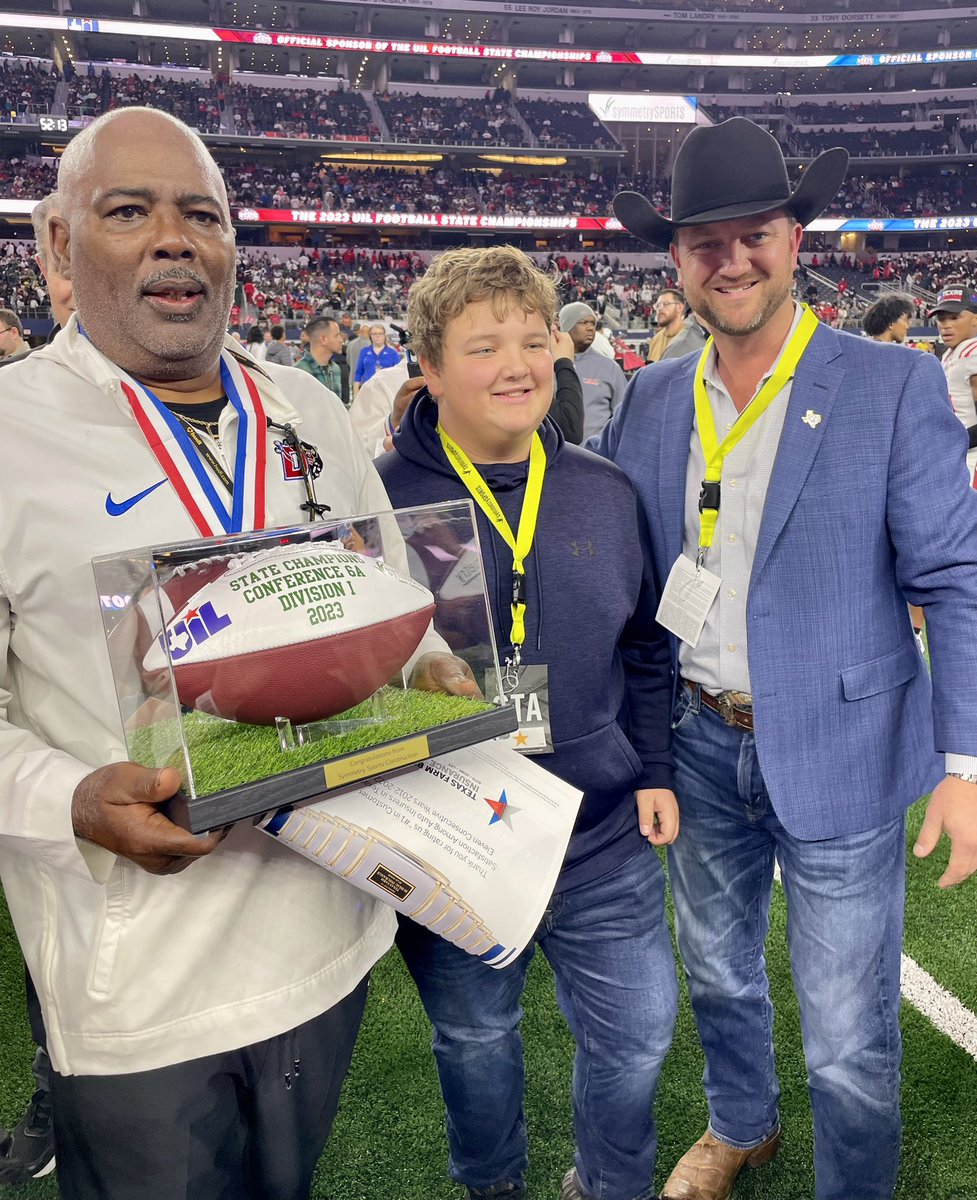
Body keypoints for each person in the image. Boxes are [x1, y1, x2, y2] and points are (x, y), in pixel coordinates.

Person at [0, 106, 472, 1200]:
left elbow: (395, 602)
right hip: (141, 977)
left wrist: (432, 670)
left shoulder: (301, 403)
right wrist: (69, 798)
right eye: (129, 211)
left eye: (200, 214)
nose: (174, 237)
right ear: (59, 245)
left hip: (324, 937)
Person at [599, 117, 977, 1200]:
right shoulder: (650, 397)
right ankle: (740, 1125)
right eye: (702, 241)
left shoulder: (889, 385)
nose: (730, 260)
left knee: (846, 1029)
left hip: (844, 748)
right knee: (718, 975)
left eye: (752, 233)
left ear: (792, 237)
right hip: (696, 743)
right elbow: (635, 584)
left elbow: (951, 580)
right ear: (673, 260)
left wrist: (963, 769)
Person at [375, 245, 679, 1200]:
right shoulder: (374, 504)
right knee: (473, 1040)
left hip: (598, 832)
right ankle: (492, 1187)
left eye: (532, 339)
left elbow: (647, 644)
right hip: (451, 837)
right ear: (426, 368)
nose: (517, 364)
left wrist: (658, 768)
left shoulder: (604, 487)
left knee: (636, 1040)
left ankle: (612, 1185)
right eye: (482, 346)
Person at [929, 285, 977, 484]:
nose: (945, 325)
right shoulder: (951, 353)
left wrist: (952, 442)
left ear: (975, 319)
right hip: (959, 457)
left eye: (955, 317)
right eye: (941, 319)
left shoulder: (973, 353)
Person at [559, 301, 626, 441]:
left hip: (596, 456)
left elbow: (623, 417)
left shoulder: (610, 368)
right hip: (554, 454)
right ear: (567, 326)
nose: (590, 328)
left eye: (592, 323)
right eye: (583, 323)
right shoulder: (547, 363)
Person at [295, 315, 345, 403]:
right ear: (323, 339)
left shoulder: (335, 369)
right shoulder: (299, 371)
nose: (341, 340)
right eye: (337, 335)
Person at [353, 323, 400, 396]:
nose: (377, 336)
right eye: (374, 334)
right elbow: (358, 373)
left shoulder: (392, 353)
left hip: (387, 391)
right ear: (370, 336)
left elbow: (398, 375)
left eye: (380, 333)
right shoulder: (364, 352)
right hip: (368, 391)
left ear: (384, 336)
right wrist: (356, 393)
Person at [646, 289, 687, 362]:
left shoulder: (690, 337)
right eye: (657, 305)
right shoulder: (656, 340)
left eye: (666, 304)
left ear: (680, 307)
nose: (660, 308)